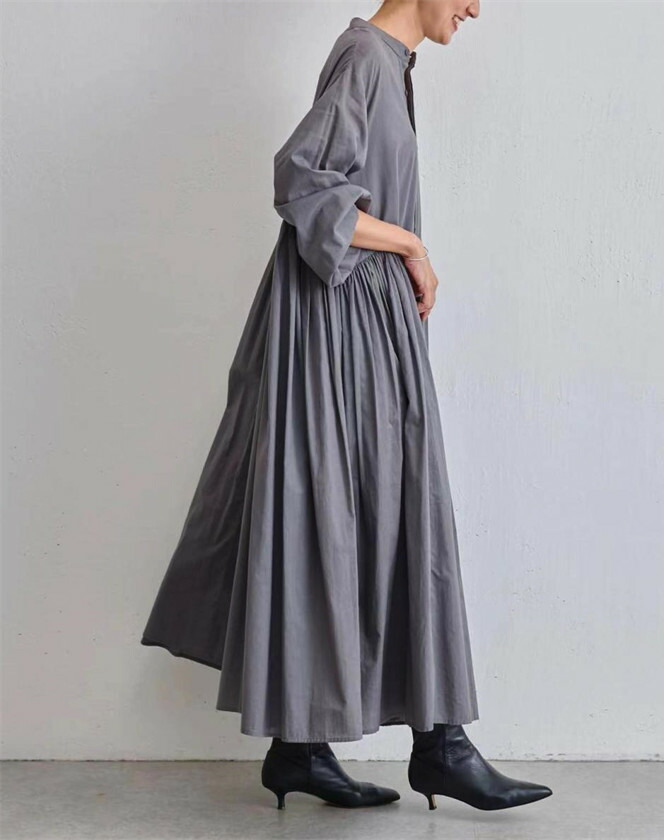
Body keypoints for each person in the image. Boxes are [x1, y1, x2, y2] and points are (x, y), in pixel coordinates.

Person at [141, 0, 553, 813]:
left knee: (361, 513)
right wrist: (412, 244)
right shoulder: (365, 56)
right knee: (367, 511)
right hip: (337, 326)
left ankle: (309, 749)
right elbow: (304, 181)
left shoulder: (390, 66)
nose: (476, 7)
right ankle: (436, 747)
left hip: (360, 321)